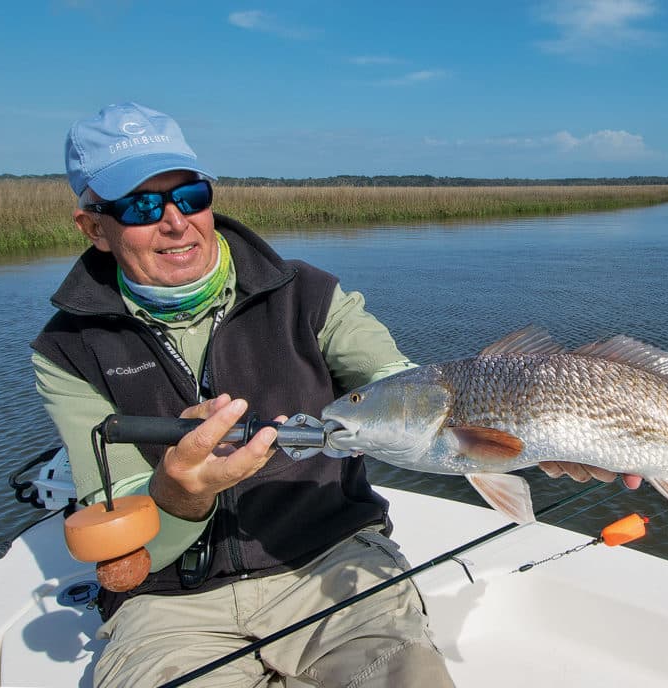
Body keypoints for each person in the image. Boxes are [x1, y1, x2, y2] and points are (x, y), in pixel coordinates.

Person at [32, 102, 635, 687]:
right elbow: (121, 516)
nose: (175, 221)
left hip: (334, 556)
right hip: (169, 602)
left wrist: (528, 432)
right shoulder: (66, 349)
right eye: (140, 205)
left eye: (191, 196)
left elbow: (398, 380)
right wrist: (179, 494)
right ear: (95, 228)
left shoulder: (309, 294)